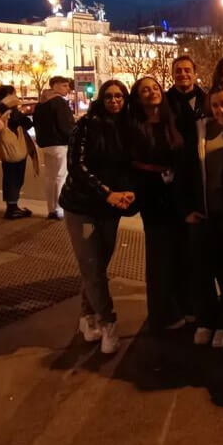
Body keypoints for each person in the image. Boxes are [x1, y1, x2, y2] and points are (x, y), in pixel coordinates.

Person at [59, 80, 135, 354]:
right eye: (109, 96)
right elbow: (76, 166)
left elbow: (129, 167)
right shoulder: (86, 125)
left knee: (97, 266)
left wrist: (127, 192)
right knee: (91, 265)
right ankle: (108, 323)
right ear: (101, 99)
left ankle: (87, 315)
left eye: (120, 96)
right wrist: (106, 193)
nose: (115, 101)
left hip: (109, 207)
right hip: (82, 207)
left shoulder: (128, 127)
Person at [129, 76, 188, 334]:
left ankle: (182, 304)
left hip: (175, 193)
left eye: (155, 88)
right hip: (152, 195)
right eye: (145, 90)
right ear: (138, 97)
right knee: (159, 255)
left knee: (179, 251)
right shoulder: (134, 126)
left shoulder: (171, 121)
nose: (152, 92)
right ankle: (162, 313)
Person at [185, 83, 223, 348]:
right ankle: (206, 320)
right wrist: (188, 207)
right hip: (205, 213)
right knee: (202, 272)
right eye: (216, 105)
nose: (221, 110)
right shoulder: (202, 129)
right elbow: (188, 170)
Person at [167, 54, 208, 320]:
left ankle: (201, 302)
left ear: (194, 72)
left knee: (201, 252)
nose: (183, 74)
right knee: (179, 251)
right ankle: (184, 303)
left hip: (202, 180)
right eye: (178, 70)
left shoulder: (207, 100)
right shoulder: (165, 103)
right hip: (176, 180)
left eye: (186, 70)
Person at [0, 85, 38, 219]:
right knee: (15, 178)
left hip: (6, 148)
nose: (16, 96)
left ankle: (12, 206)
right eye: (14, 93)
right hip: (15, 148)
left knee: (9, 177)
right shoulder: (10, 111)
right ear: (9, 95)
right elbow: (27, 123)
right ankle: (12, 209)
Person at [33, 75, 75, 220]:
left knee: (50, 177)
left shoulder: (41, 103)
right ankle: (59, 209)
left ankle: (51, 209)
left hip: (46, 144)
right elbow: (65, 126)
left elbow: (36, 124)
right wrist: (73, 136)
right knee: (60, 176)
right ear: (55, 85)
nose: (67, 88)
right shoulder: (59, 102)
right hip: (59, 144)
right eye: (64, 85)